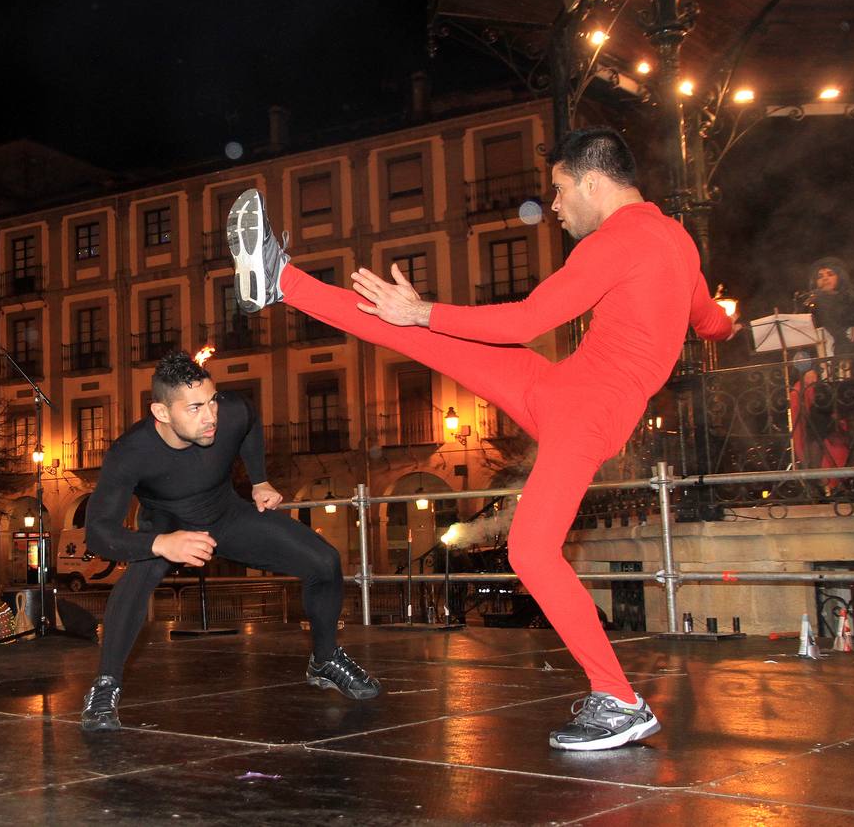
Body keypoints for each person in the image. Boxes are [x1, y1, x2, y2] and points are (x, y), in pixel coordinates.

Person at [227, 126, 739, 751]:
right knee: (412, 337)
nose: (552, 206)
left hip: (587, 411)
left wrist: (423, 310)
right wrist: (731, 322)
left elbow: (527, 318)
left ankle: (620, 700)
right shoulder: (679, 242)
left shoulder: (617, 242)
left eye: (557, 191)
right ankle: (280, 281)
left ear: (592, 182)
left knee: (530, 550)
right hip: (563, 389)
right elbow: (709, 321)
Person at [78, 351, 378, 733]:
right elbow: (98, 533)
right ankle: (105, 686)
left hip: (225, 515)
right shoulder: (130, 452)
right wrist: (161, 544)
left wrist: (259, 479)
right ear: (162, 412)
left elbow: (250, 421)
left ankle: (324, 659)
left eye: (212, 401)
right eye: (195, 408)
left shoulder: (230, 413)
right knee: (139, 577)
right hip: (168, 523)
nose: (210, 417)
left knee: (324, 562)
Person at [790, 256, 854, 487]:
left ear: (840, 276)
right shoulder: (808, 307)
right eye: (820, 275)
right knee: (816, 426)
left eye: (829, 273)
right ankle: (814, 485)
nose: (825, 278)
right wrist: (806, 368)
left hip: (850, 370)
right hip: (821, 375)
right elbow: (798, 347)